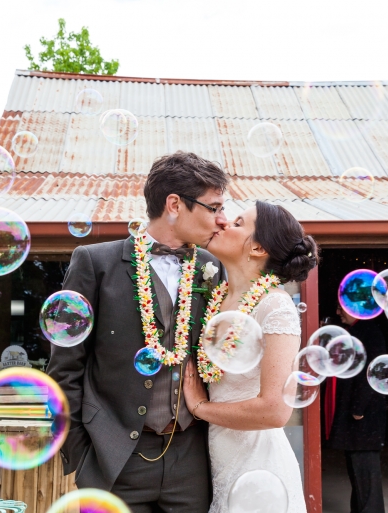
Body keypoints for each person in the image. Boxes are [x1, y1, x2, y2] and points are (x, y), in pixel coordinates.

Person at [48, 151, 230, 512]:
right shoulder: (95, 263)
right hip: (114, 457)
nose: (222, 220)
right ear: (175, 204)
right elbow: (64, 366)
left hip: (191, 459)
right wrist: (82, 453)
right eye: (214, 207)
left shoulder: (211, 269)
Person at [182, 200, 319, 513]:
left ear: (257, 248)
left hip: (260, 470)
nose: (224, 222)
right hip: (218, 459)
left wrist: (200, 407)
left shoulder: (275, 306)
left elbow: (275, 411)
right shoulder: (218, 299)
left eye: (239, 222)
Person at [324, 304, 387, 513]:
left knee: (365, 472)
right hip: (358, 414)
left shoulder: (369, 332)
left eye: (341, 308)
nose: (337, 312)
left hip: (363, 416)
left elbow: (373, 372)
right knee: (357, 471)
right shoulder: (358, 331)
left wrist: (359, 407)